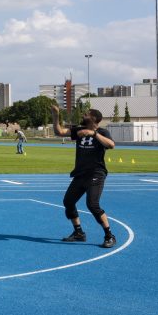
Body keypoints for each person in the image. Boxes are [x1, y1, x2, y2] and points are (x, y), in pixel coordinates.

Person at [51, 105, 117, 248]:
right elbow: (59, 132)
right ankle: (79, 233)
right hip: (80, 174)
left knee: (92, 205)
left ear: (94, 118)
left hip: (96, 174)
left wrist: (93, 134)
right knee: (68, 201)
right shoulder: (78, 129)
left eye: (86, 113)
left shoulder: (103, 132)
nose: (83, 115)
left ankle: (109, 235)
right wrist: (55, 116)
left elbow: (111, 145)